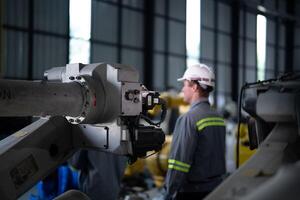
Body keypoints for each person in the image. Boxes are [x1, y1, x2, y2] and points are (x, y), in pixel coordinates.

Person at [164, 63, 226, 200]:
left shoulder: (188, 119)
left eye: (185, 84)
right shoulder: (218, 117)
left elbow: (178, 163)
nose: (183, 90)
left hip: (191, 193)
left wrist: (169, 192)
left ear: (195, 86)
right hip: (216, 190)